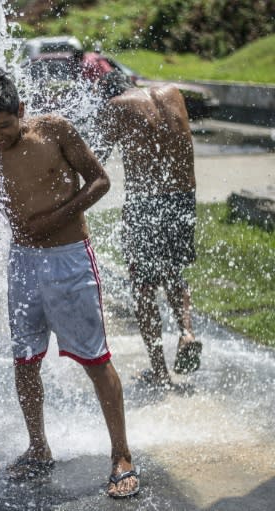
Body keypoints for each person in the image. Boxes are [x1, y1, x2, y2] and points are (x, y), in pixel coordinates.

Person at [0, 66, 139, 499]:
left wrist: (54, 219)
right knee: (25, 359)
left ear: (21, 110)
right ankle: (38, 447)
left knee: (96, 359)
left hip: (68, 259)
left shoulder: (55, 130)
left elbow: (100, 180)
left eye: (4, 126)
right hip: (22, 263)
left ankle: (121, 455)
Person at [93, 70, 202, 387]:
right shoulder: (171, 92)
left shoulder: (115, 106)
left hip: (146, 204)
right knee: (173, 269)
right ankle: (186, 332)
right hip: (184, 197)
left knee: (142, 286)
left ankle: (160, 372)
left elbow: (94, 159)